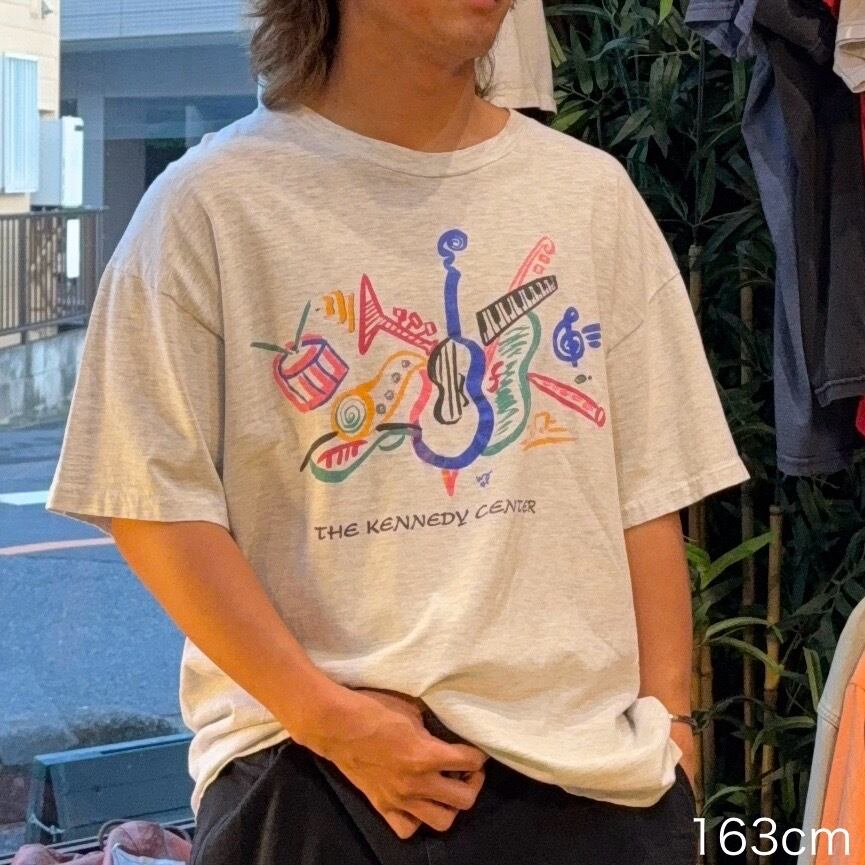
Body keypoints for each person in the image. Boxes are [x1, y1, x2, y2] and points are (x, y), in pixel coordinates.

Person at [45, 0, 751, 862]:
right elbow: (149, 500)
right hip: (313, 777)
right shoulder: (209, 206)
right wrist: (324, 716)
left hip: (594, 782)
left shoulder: (589, 196)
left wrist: (671, 723)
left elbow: (649, 487)